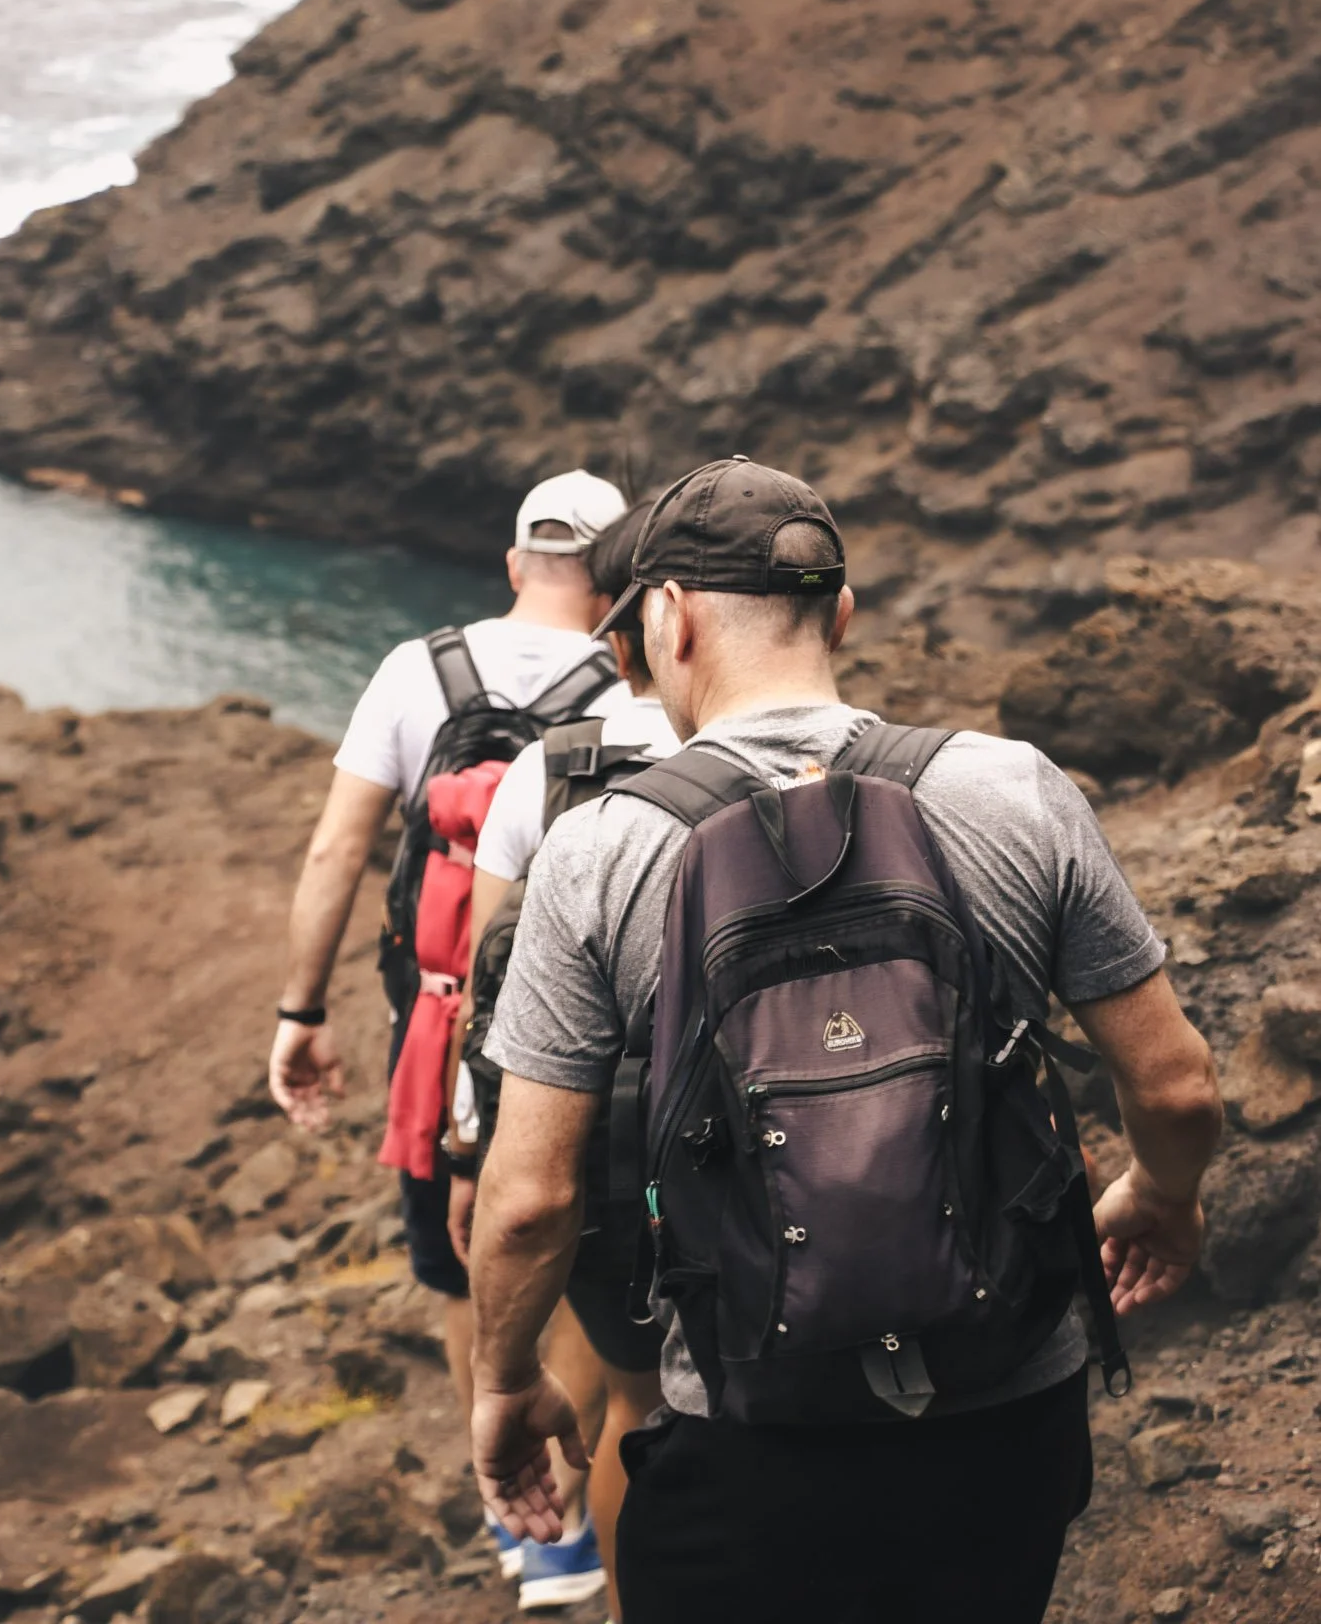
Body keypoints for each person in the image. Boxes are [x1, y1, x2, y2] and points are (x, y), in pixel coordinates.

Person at [465, 457, 1224, 1624]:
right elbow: (1175, 1085)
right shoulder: (1012, 788)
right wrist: (1159, 1198)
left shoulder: (601, 850)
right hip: (1002, 1419)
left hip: (746, 1435)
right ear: (843, 612)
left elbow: (528, 1200)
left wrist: (505, 1377)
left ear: (664, 616)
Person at [267, 467, 628, 1455]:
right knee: (587, 1258)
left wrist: (301, 1011)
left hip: (438, 1028)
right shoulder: (628, 686)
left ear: (515, 562)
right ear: (613, 580)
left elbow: (336, 848)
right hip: (589, 1029)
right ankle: (590, 1482)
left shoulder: (414, 666)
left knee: (466, 1259)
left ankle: (519, 1506)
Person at [448, 501, 676, 1616]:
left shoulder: (551, 772)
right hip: (797, 1146)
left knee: (639, 1395)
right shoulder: (846, 763)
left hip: (610, 1149)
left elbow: (490, 985)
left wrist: (467, 1152)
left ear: (614, 635)